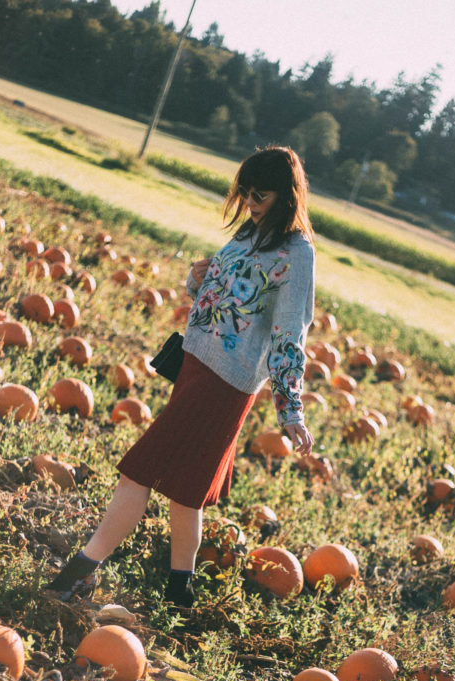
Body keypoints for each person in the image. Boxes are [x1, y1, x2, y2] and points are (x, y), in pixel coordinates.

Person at [47, 145, 316, 608]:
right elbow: (222, 294)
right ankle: (180, 592)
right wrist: (200, 279)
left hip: (226, 384)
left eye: (261, 194)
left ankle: (78, 572)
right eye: (245, 192)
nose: (250, 202)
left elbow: (291, 332)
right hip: (196, 365)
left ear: (287, 196)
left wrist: (290, 408)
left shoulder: (296, 253)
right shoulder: (250, 233)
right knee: (186, 493)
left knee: (138, 473)